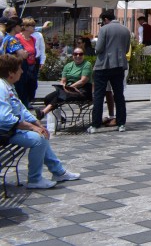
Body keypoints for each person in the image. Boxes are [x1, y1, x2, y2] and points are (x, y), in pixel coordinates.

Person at [0, 53, 81, 189]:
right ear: (11, 73)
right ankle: (35, 179)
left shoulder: (9, 86)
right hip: (5, 132)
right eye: (19, 68)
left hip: (12, 129)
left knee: (41, 134)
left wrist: (37, 124)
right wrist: (32, 128)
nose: (22, 71)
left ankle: (58, 172)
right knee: (39, 140)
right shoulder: (2, 89)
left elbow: (21, 109)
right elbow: (5, 119)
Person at [88, 9, 129, 134]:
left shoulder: (104, 29)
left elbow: (99, 48)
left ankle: (95, 125)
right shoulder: (125, 30)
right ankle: (121, 123)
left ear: (105, 19)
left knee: (99, 95)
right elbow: (126, 49)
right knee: (119, 95)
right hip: (119, 65)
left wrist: (96, 50)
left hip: (104, 65)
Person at [37, 47, 93, 122]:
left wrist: (69, 88)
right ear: (73, 55)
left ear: (83, 55)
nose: (78, 56)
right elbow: (63, 80)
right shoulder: (68, 66)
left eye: (80, 54)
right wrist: (63, 87)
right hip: (68, 89)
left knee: (61, 95)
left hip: (82, 90)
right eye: (75, 54)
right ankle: (59, 117)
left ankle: (43, 112)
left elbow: (83, 80)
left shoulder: (87, 64)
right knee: (48, 98)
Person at [15, 18, 40, 103]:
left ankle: (29, 99)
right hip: (23, 65)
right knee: (23, 85)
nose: (34, 27)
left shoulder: (33, 39)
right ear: (25, 27)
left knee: (33, 85)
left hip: (32, 65)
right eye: (32, 25)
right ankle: (24, 102)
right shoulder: (18, 37)